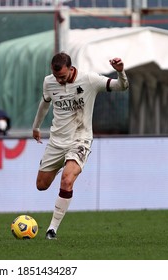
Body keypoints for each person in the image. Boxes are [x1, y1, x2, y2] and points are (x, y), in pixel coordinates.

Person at [32, 52, 129, 240]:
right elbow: (44, 104)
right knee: (41, 185)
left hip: (80, 139)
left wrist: (121, 72)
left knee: (67, 181)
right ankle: (63, 164)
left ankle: (52, 229)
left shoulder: (89, 80)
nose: (59, 80)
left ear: (71, 68)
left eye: (62, 76)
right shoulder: (49, 82)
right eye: (56, 76)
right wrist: (36, 127)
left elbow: (121, 87)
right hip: (57, 141)